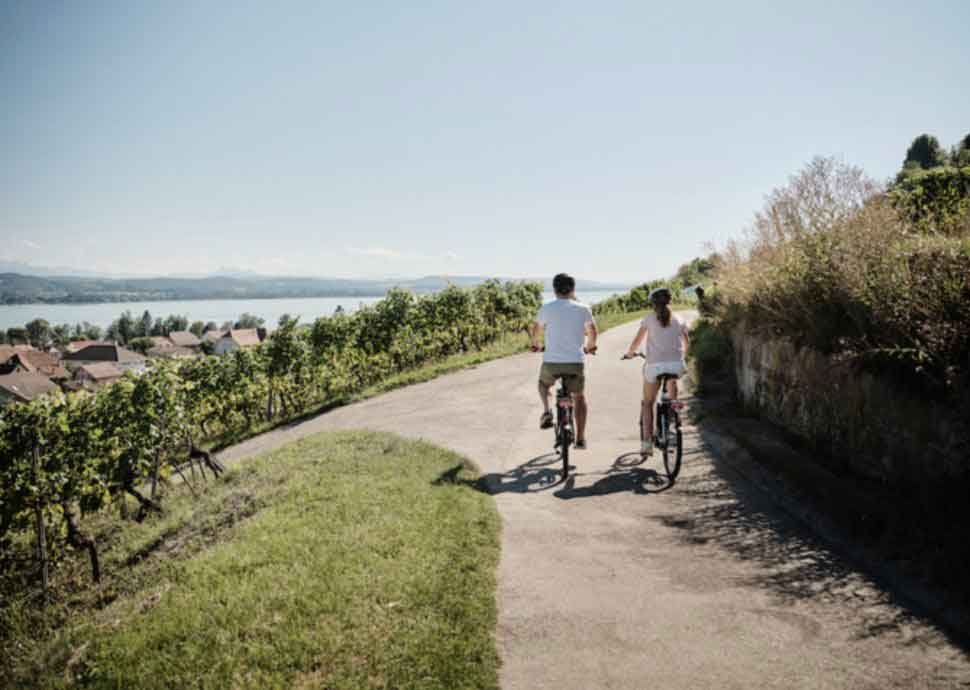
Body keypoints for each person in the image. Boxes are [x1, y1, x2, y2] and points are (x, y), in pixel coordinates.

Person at [530, 273, 598, 449]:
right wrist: (590, 346)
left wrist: (536, 344)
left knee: (543, 384)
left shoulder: (547, 308)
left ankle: (546, 411)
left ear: (554, 289)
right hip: (575, 362)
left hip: (552, 362)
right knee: (579, 397)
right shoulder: (583, 308)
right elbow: (592, 331)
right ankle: (581, 439)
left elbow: (536, 328)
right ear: (573, 289)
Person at [623, 286, 689, 456]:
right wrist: (681, 358)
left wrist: (630, 353)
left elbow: (637, 341)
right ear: (670, 301)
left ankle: (646, 444)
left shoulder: (649, 319)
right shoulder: (680, 319)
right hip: (676, 366)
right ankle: (673, 420)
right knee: (672, 394)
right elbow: (687, 343)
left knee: (648, 403)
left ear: (653, 304)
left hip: (654, 366)